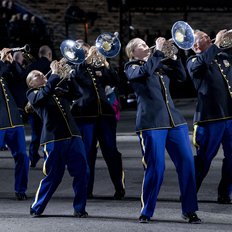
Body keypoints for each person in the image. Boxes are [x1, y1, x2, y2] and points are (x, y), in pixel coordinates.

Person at [124, 37, 201, 223]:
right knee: (156, 167)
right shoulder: (131, 67)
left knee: (187, 164)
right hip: (151, 123)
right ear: (133, 53)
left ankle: (189, 210)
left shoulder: (158, 64)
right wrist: (158, 51)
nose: (146, 46)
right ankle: (146, 211)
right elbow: (144, 71)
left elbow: (182, 77)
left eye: (145, 43)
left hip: (174, 121)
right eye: (141, 45)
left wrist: (174, 57)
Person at [26, 60, 89, 217]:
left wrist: (69, 76)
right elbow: (44, 93)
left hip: (73, 134)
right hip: (53, 138)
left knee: (82, 172)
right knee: (54, 175)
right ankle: (37, 207)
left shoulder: (57, 87)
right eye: (35, 76)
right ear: (31, 84)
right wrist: (54, 74)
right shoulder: (33, 94)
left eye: (40, 73)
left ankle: (80, 208)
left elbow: (77, 93)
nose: (40, 74)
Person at [70, 46, 125, 199]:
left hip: (105, 115)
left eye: (89, 52)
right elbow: (75, 77)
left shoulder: (99, 67)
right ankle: (87, 189)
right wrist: (86, 61)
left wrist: (105, 64)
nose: (89, 54)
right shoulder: (75, 67)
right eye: (86, 53)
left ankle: (119, 187)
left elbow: (115, 81)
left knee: (111, 152)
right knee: (87, 153)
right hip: (84, 115)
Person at [186, 29, 232, 204]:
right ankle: (190, 194)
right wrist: (219, 43)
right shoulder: (193, 61)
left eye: (207, 36)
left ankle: (224, 193)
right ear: (196, 45)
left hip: (229, 115)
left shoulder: (222, 56)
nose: (209, 38)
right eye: (204, 37)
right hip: (209, 118)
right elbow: (201, 63)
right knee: (204, 160)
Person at [0, 47, 29, 200]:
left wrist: (12, 64)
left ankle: (20, 189)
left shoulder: (4, 68)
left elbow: (21, 78)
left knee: (23, 157)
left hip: (14, 120)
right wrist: (2, 61)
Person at [25, 45, 53, 167]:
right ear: (50, 55)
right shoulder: (50, 66)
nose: (41, 75)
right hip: (45, 105)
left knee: (36, 134)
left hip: (33, 107)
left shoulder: (31, 66)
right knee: (47, 132)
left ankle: (33, 157)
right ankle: (48, 157)